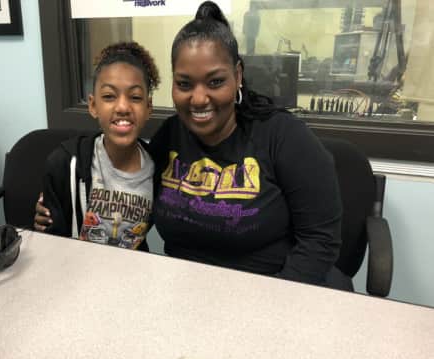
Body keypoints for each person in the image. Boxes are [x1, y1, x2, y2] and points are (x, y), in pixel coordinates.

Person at [36, 1, 346, 289]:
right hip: (183, 294)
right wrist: (59, 202)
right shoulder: (171, 135)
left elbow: (320, 241)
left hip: (268, 291)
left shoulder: (283, 136)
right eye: (184, 84)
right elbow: (130, 187)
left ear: (238, 75)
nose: (198, 99)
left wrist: (274, 302)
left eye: (215, 82)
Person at [38, 41, 160, 250]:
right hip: (75, 266)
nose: (123, 107)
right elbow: (50, 236)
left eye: (135, 97)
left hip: (131, 268)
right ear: (93, 105)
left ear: (148, 107)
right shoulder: (65, 163)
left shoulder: (159, 169)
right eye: (109, 96)